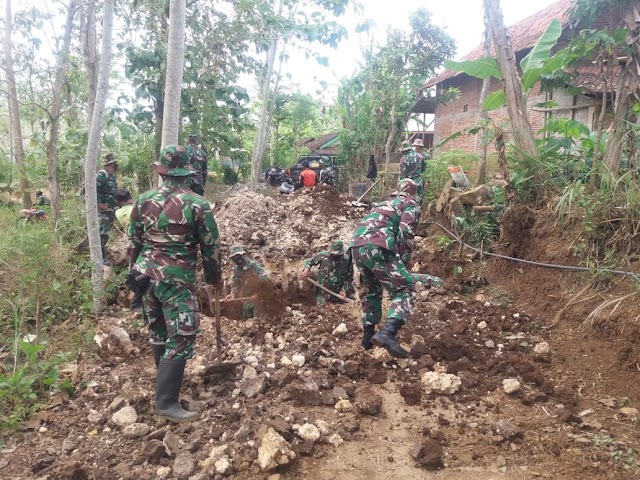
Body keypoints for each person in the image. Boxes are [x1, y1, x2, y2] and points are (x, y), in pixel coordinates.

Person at [128, 144, 222, 423]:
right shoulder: (197, 204)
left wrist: (133, 276)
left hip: (145, 276)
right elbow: (211, 247)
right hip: (175, 280)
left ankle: (164, 389)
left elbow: (133, 243)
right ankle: (166, 402)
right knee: (182, 335)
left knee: (158, 330)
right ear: (187, 173)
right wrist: (214, 279)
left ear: (162, 171)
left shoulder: (143, 200)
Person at [350, 178, 420, 358]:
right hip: (378, 245)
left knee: (372, 290)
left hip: (357, 246)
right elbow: (405, 232)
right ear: (413, 192)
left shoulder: (384, 203)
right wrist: (405, 259)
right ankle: (387, 333)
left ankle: (368, 339)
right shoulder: (409, 203)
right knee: (406, 288)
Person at [299, 240, 354, 305]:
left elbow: (349, 278)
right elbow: (310, 261)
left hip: (337, 295)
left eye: (337, 255)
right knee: (322, 311)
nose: (334, 256)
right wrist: (306, 270)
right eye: (333, 254)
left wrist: (343, 290)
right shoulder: (323, 256)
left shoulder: (347, 261)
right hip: (322, 293)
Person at [225, 245, 269, 319]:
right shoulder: (237, 269)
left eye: (238, 256)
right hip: (248, 298)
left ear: (243, 255)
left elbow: (265, 279)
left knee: (257, 319)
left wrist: (258, 294)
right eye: (234, 257)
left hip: (260, 297)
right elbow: (236, 284)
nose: (236, 259)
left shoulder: (253, 265)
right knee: (244, 318)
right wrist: (233, 294)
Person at [97, 153, 119, 264]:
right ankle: (101, 258)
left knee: (105, 234)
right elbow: (88, 189)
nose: (116, 165)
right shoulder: (102, 175)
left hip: (110, 211)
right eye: (115, 163)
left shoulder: (112, 176)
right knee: (102, 234)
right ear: (110, 163)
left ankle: (104, 255)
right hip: (103, 212)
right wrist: (97, 204)